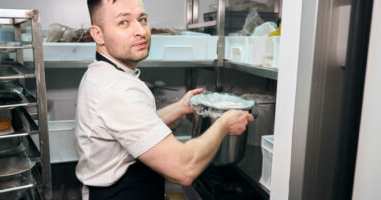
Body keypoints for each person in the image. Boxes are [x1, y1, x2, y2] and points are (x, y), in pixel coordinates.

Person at [75, 0, 254, 199]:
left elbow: (131, 127)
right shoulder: (117, 89)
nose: (140, 31)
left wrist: (178, 108)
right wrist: (223, 125)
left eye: (142, 19)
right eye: (124, 23)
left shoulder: (102, 73)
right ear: (98, 34)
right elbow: (184, 169)